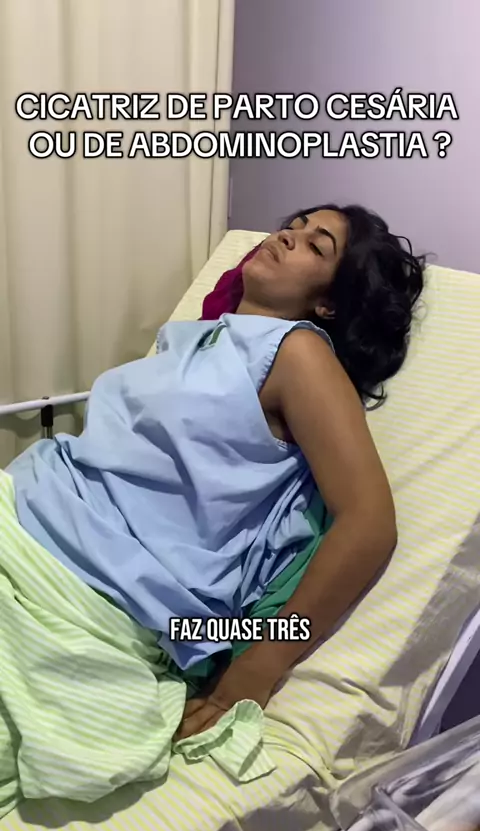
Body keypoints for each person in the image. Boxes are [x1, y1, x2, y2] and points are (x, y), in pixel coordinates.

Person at [6, 203, 425, 740]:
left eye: (317, 246)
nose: (289, 236)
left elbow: (369, 523)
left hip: (81, 586)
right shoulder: (199, 338)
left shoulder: (297, 353)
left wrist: (257, 667)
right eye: (293, 227)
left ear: (328, 303)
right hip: (23, 509)